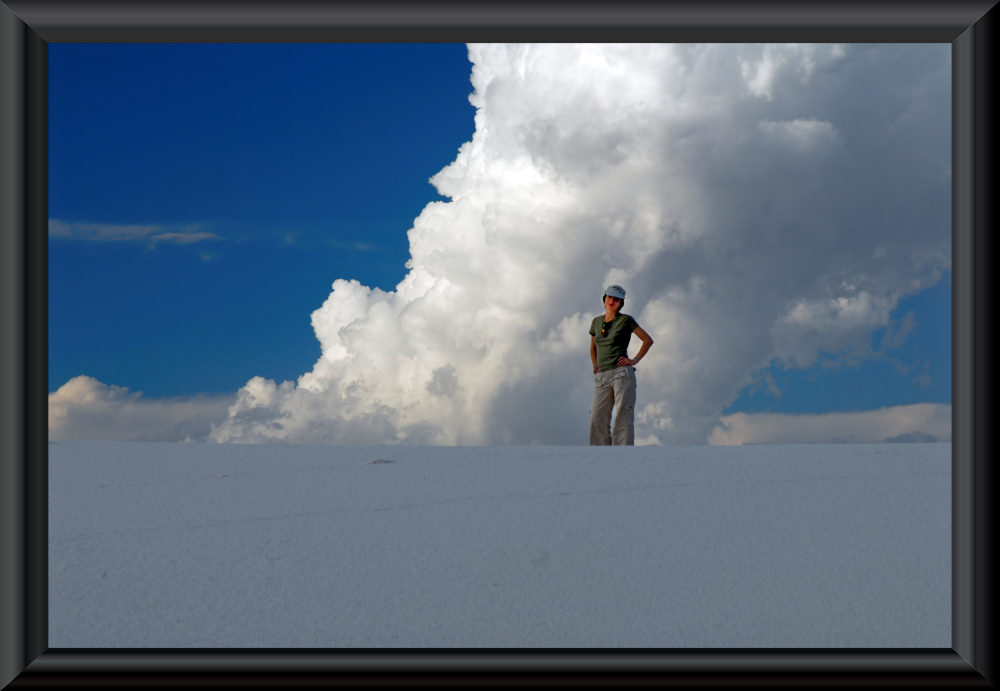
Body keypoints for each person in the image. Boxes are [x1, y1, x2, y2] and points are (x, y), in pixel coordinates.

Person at [588, 284, 654, 445]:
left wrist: (634, 360)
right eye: (610, 297)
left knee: (623, 416)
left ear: (620, 303)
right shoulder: (596, 322)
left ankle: (622, 457)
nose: (612, 301)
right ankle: (599, 457)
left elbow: (647, 340)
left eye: (617, 299)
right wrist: (595, 366)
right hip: (602, 377)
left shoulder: (626, 320)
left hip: (621, 374)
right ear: (604, 299)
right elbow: (593, 347)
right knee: (596, 418)